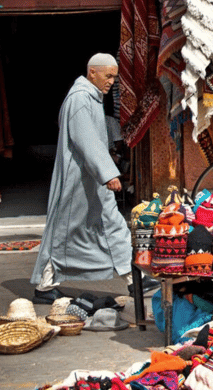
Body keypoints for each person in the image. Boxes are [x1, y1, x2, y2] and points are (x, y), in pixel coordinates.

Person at [30, 54, 155, 304]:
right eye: (107, 76)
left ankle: (134, 279)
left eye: (113, 77)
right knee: (65, 233)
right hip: (79, 181)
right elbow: (85, 139)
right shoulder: (79, 99)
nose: (111, 82)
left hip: (91, 179)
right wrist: (107, 173)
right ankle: (45, 286)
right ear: (92, 73)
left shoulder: (89, 97)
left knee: (115, 226)